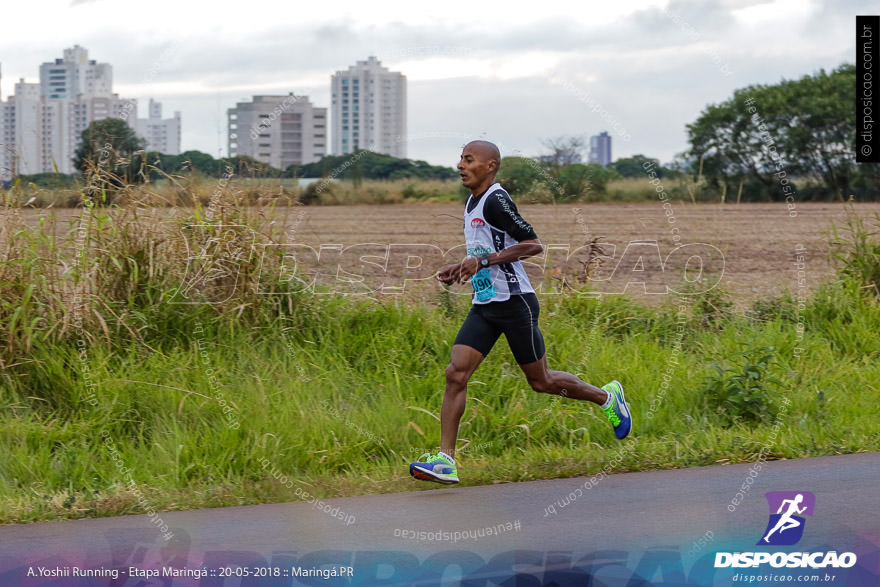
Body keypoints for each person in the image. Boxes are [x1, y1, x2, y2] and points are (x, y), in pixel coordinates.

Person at [409, 140, 632, 485]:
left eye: (468, 160)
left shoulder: (496, 199)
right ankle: (446, 460)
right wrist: (461, 267)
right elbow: (487, 248)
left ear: (490, 166)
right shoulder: (472, 201)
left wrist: (481, 261)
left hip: (515, 304)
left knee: (541, 381)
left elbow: (532, 243)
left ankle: (606, 397)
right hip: (485, 305)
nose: (460, 165)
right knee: (456, 374)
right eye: (461, 159)